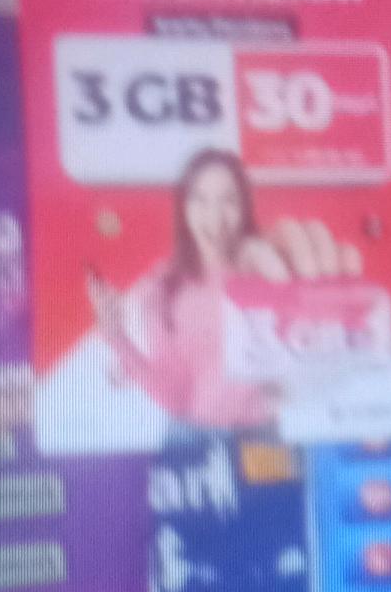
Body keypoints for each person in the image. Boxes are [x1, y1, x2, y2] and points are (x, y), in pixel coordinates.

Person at [86, 150, 365, 432]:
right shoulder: (162, 284)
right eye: (200, 200)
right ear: (183, 207)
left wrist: (288, 287)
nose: (215, 218)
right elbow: (174, 396)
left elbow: (304, 373)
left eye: (228, 201)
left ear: (245, 207)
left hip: (264, 435)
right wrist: (117, 338)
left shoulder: (265, 261)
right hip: (192, 437)